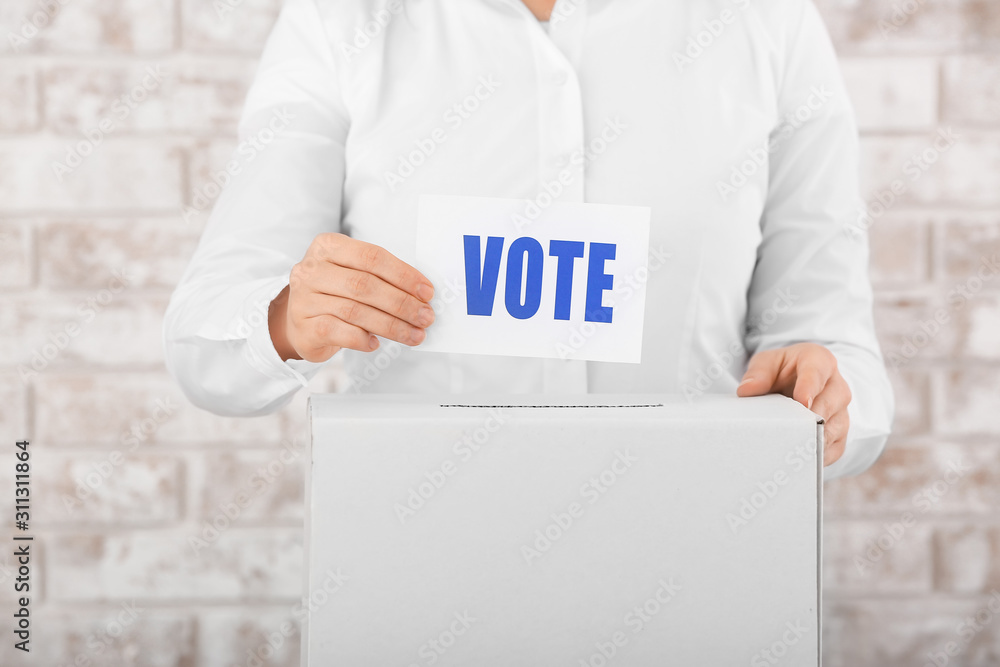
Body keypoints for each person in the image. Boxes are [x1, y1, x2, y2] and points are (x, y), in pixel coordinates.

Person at [164, 0, 894, 479]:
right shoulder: (343, 19)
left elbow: (838, 348)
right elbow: (205, 339)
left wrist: (826, 401)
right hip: (415, 576)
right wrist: (289, 319)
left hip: (695, 572)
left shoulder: (766, 21)